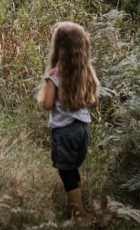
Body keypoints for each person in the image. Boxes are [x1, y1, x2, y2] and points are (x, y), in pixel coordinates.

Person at [39, 21, 100, 219]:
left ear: (58, 47)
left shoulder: (54, 75)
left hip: (64, 132)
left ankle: (78, 213)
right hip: (82, 130)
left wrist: (47, 94)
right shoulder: (87, 73)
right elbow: (93, 101)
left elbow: (48, 104)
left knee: (67, 174)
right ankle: (76, 203)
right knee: (73, 169)